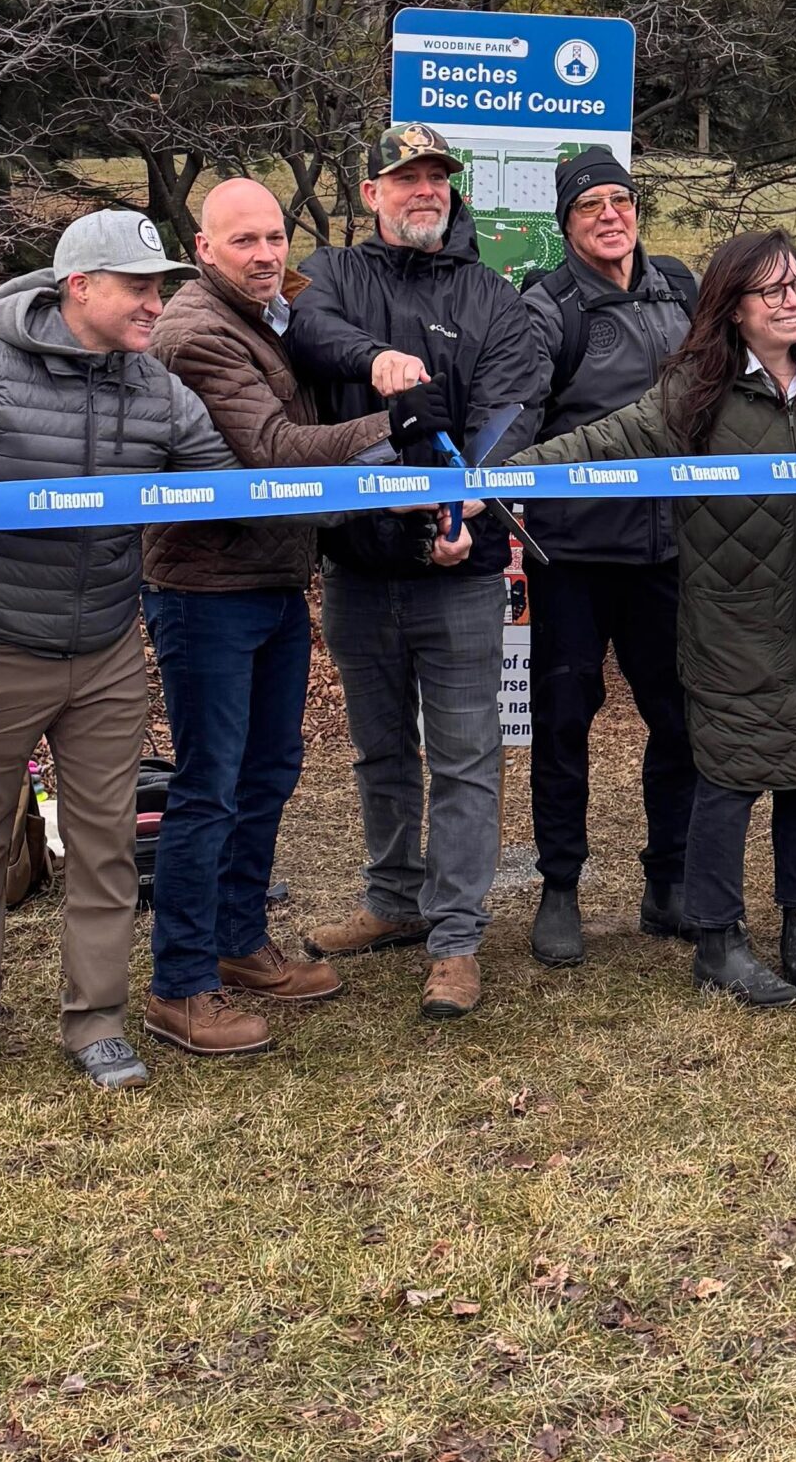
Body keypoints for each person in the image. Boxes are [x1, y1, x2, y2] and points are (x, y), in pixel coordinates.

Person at [0, 209, 234, 1094]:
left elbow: (231, 484)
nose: (155, 304)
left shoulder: (154, 386)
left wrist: (373, 472)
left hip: (110, 648)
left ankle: (96, 1022)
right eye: (138, 287)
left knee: (105, 843)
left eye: (160, 286)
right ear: (79, 287)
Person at [512, 231, 796, 1007]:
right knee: (726, 774)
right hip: (727, 615)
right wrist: (510, 474)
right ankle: (717, 940)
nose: (793, 302)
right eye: (772, 292)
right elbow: (608, 441)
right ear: (734, 309)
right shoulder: (696, 386)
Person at [285, 122, 548, 1021]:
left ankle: (456, 936)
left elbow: (516, 402)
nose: (424, 189)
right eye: (406, 178)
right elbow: (309, 328)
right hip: (357, 567)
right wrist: (376, 360)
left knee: (468, 757)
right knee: (380, 749)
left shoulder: (491, 296)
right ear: (372, 194)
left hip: (461, 570)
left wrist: (467, 501)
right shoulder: (332, 274)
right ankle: (394, 900)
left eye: (437, 175)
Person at [138, 180, 395, 1058]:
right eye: (242, 239)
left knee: (269, 770)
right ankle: (179, 983)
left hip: (274, 579)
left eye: (275, 235)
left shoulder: (271, 314)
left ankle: (240, 941)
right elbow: (274, 453)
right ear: (202, 248)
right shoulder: (195, 332)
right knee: (209, 784)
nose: (265, 252)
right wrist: (386, 428)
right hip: (205, 589)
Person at [518, 147, 701, 967]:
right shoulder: (549, 307)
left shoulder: (681, 289)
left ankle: (669, 882)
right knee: (562, 722)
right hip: (575, 557)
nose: (608, 214)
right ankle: (560, 887)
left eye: (619, 199)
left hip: (670, 552)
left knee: (682, 718)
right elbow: (518, 421)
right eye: (588, 204)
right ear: (566, 223)